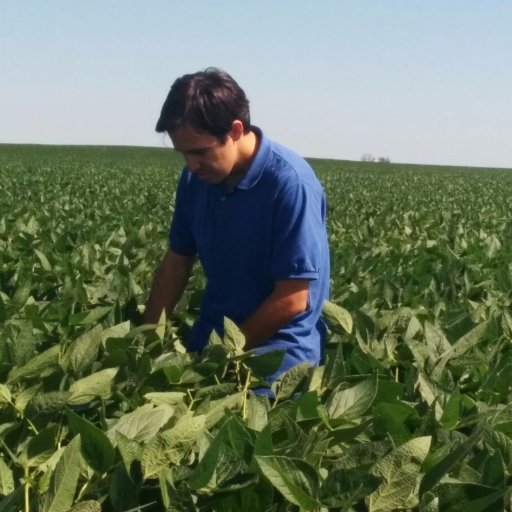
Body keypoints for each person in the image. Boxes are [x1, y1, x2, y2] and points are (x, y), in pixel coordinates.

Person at [144, 67, 330, 385]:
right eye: (183, 154)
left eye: (200, 152)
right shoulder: (195, 180)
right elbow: (177, 260)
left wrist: (224, 358)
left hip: (276, 355)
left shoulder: (289, 183)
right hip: (212, 339)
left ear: (234, 130)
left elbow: (293, 298)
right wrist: (144, 339)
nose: (190, 165)